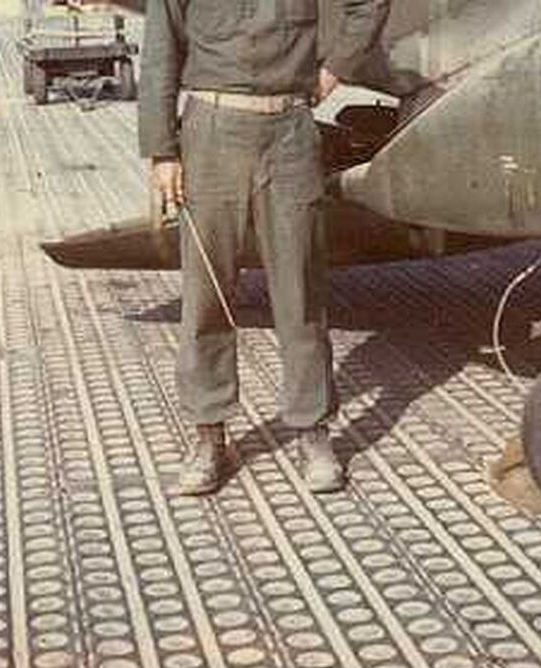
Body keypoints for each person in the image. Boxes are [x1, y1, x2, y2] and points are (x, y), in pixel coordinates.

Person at [138, 0, 388, 495]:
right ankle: (209, 436)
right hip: (211, 133)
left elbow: (369, 5)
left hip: (290, 134)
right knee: (207, 297)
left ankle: (312, 430)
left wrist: (334, 71)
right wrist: (162, 151)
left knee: (300, 293)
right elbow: (160, 53)